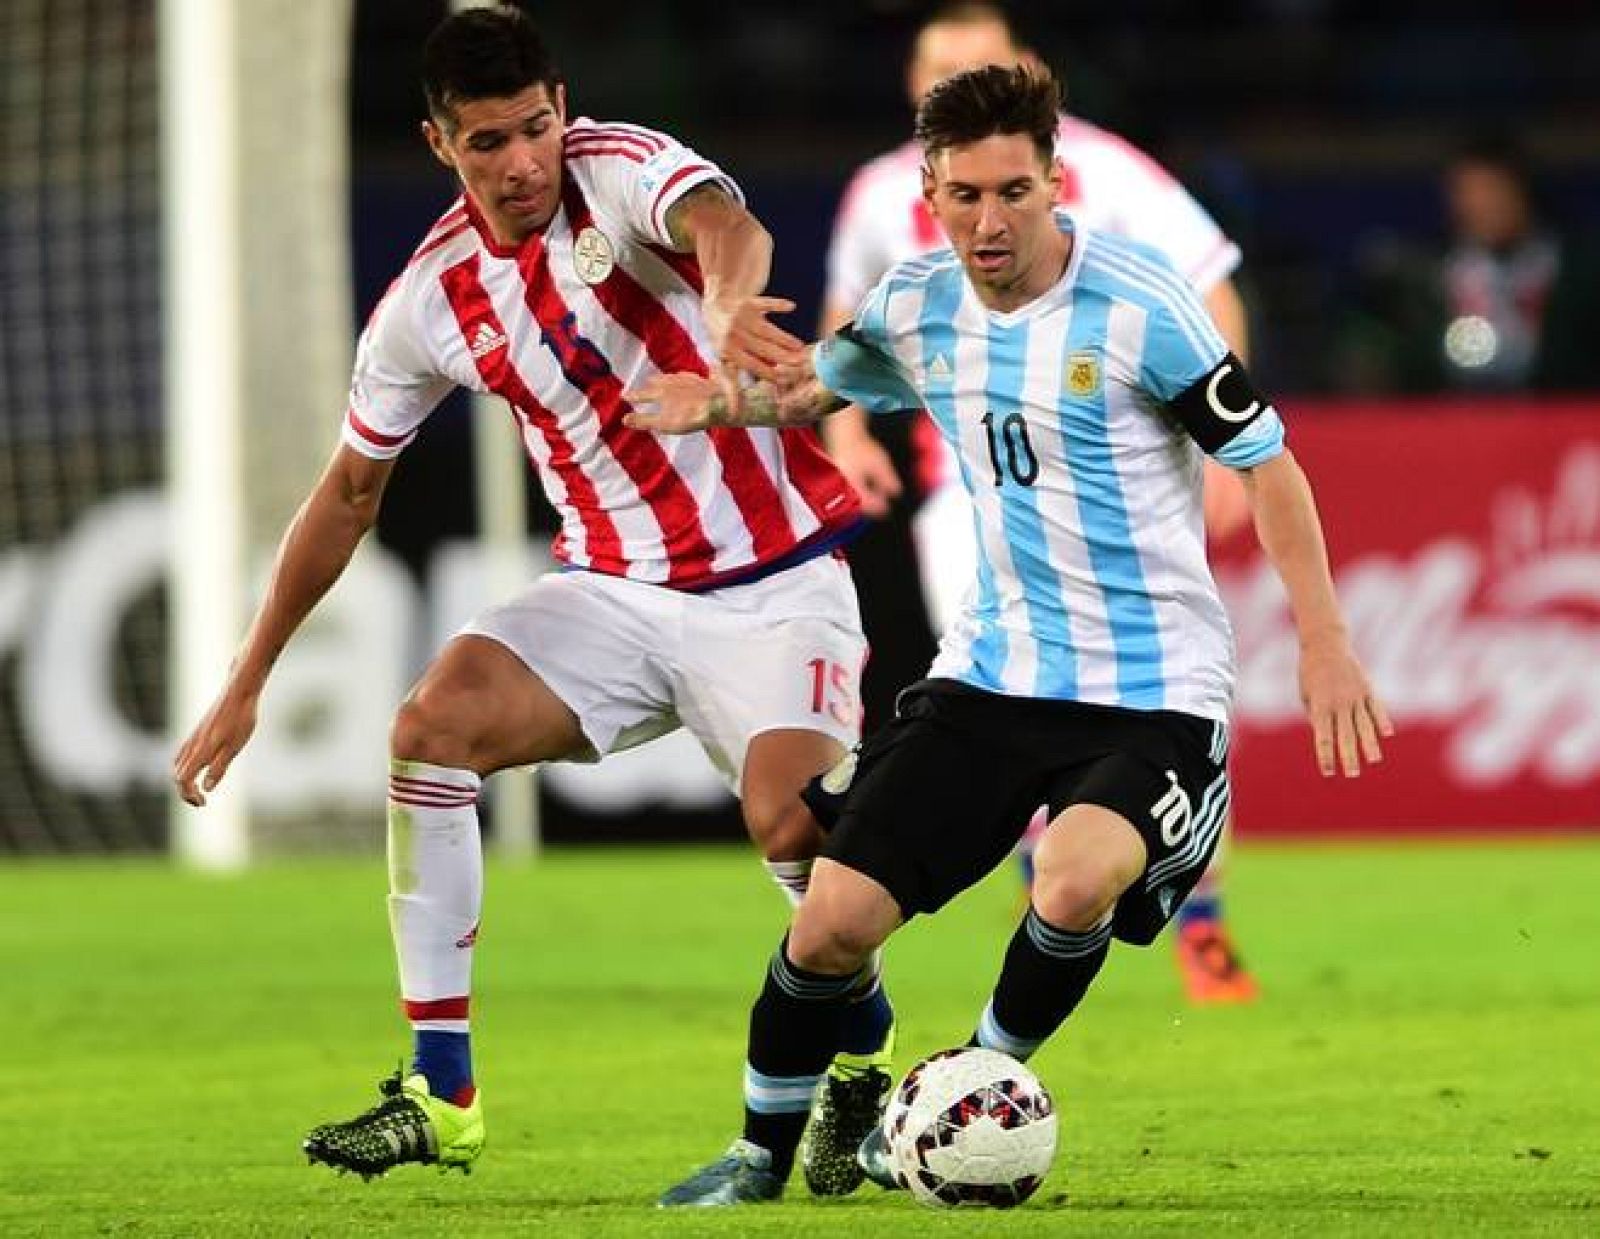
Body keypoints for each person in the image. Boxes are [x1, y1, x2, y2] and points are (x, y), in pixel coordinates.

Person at [628, 63, 1391, 1206]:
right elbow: (827, 387)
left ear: (1054, 182)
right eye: (964, 195)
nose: (989, 222)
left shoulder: (1141, 305)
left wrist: (1322, 639)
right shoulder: (917, 298)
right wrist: (723, 402)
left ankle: (970, 1082)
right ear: (929, 189)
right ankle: (755, 1159)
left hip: (1153, 689)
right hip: (992, 673)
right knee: (832, 922)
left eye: (1012, 193)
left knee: (1073, 881)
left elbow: (1265, 462)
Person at [170, 5, 895, 1182]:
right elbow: (349, 493)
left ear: (561, 110)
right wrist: (246, 682)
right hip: (607, 592)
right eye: (486, 143)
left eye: (533, 129)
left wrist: (718, 304)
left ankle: (860, 1063)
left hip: (775, 583)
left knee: (790, 823)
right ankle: (441, 1092)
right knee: (429, 728)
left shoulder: (614, 174)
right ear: (437, 145)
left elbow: (727, 222)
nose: (519, 163)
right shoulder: (429, 299)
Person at [820, 1, 1257, 1006]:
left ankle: (1201, 921)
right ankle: (1048, 881)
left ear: (1024, 72)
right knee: (1002, 699)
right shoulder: (885, 192)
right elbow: (847, 326)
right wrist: (843, 432)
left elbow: (1212, 283)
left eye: (972, 69)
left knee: (1161, 701)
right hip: (962, 503)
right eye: (936, 76)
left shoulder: (1104, 169)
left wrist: (1223, 442)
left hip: (1113, 493)